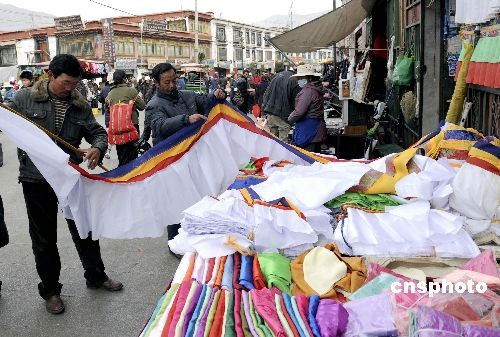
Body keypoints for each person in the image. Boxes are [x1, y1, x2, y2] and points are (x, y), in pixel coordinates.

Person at [8, 54, 123, 315]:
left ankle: (95, 275)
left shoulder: (79, 105)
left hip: (69, 176)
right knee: (44, 238)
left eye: (74, 83)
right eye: (66, 82)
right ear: (50, 75)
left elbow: (97, 132)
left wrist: (97, 147)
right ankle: (50, 291)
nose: (70, 88)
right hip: (35, 179)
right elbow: (8, 124)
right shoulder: (23, 99)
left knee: (85, 228)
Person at [143, 62, 226, 244]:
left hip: (194, 155)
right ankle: (175, 241)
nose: (172, 86)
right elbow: (159, 125)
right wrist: (186, 119)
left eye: (174, 80)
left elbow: (207, 100)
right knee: (174, 200)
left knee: (196, 194)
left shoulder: (187, 96)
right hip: (171, 160)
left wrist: (218, 95)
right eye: (167, 82)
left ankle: (195, 232)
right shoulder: (154, 105)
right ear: (156, 83)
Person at [106, 70, 146, 166]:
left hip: (117, 128)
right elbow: (142, 106)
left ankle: (123, 176)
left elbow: (107, 110)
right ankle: (132, 177)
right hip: (132, 127)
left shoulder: (110, 94)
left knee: (122, 155)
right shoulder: (131, 91)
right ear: (125, 79)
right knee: (133, 156)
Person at [287, 64, 327, 152]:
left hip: (309, 129)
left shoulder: (308, 91)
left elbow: (299, 112)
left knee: (308, 159)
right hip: (315, 128)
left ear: (308, 78)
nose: (298, 80)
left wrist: (289, 120)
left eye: (300, 78)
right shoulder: (315, 88)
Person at [261, 69, 301, 142]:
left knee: (273, 141)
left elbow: (266, 94)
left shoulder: (276, 77)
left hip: (270, 112)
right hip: (283, 114)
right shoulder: (294, 80)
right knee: (284, 143)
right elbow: (296, 101)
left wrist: (263, 112)